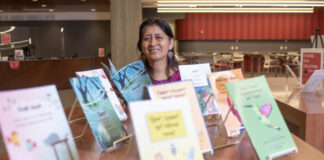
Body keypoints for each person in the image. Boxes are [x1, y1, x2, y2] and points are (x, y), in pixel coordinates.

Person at [137, 18, 181, 84]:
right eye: (147, 38)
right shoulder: (134, 79)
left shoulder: (184, 77)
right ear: (141, 46)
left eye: (159, 37)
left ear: (171, 43)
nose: (152, 43)